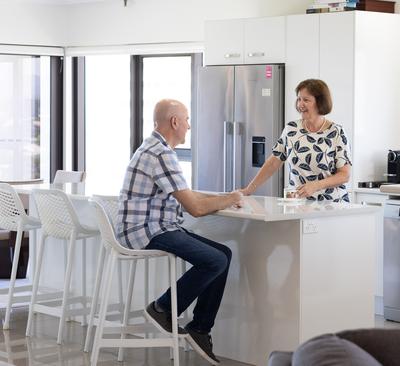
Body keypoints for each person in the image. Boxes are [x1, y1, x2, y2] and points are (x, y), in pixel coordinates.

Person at [116, 99, 242, 365]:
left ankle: (199, 329)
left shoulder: (155, 148)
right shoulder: (161, 154)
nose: (189, 126)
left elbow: (185, 194)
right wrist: (231, 198)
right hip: (146, 230)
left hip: (152, 226)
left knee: (223, 254)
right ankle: (162, 307)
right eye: (186, 120)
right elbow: (195, 208)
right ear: (174, 122)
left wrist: (223, 197)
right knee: (215, 260)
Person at [240, 79, 352, 201]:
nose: (300, 105)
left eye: (306, 100)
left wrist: (316, 185)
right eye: (299, 99)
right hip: (297, 204)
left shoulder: (336, 132)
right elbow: (273, 163)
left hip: (332, 205)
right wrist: (248, 190)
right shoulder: (291, 129)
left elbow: (344, 175)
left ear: (320, 103)